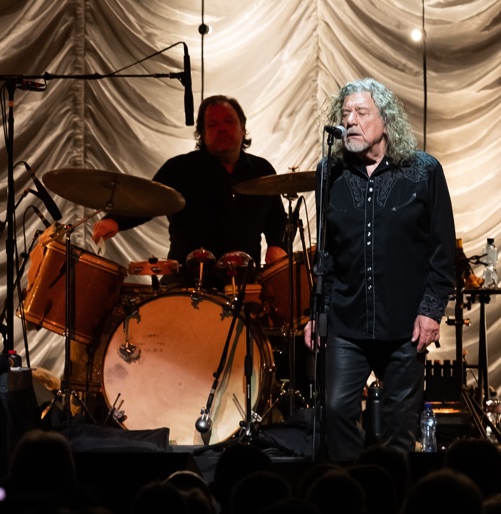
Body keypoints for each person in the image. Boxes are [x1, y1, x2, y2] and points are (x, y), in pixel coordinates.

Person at [304, 78, 456, 462]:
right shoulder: (329, 173)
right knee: (336, 410)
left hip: (405, 323)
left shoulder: (423, 171)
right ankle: (350, 493)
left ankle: (395, 497)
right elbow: (327, 254)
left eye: (361, 112)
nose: (350, 121)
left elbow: (442, 250)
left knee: (399, 425)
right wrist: (317, 314)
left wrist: (431, 310)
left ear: (385, 120)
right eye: (345, 114)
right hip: (346, 321)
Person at [92, 95, 288, 291]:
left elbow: (277, 220)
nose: (221, 128)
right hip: (185, 283)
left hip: (244, 284)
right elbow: (146, 201)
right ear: (203, 133)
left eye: (229, 121)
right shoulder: (179, 168)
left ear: (242, 128)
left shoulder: (262, 171)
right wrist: (115, 220)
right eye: (212, 124)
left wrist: (277, 245)